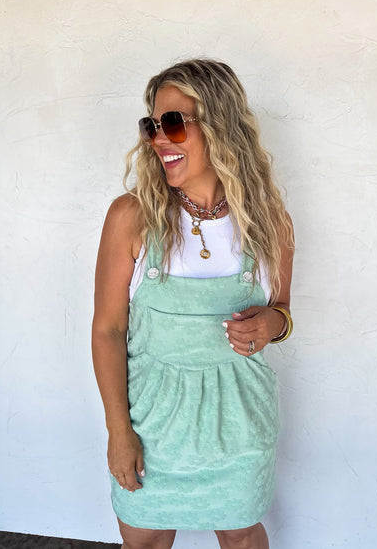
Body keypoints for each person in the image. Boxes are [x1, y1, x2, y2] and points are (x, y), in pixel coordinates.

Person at [92, 59, 294, 549]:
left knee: (242, 535)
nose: (159, 139)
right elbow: (108, 330)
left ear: (220, 125)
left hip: (240, 427)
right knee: (144, 538)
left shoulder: (270, 224)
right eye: (152, 126)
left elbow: (283, 314)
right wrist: (119, 432)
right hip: (151, 427)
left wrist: (272, 323)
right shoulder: (132, 217)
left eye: (174, 123)